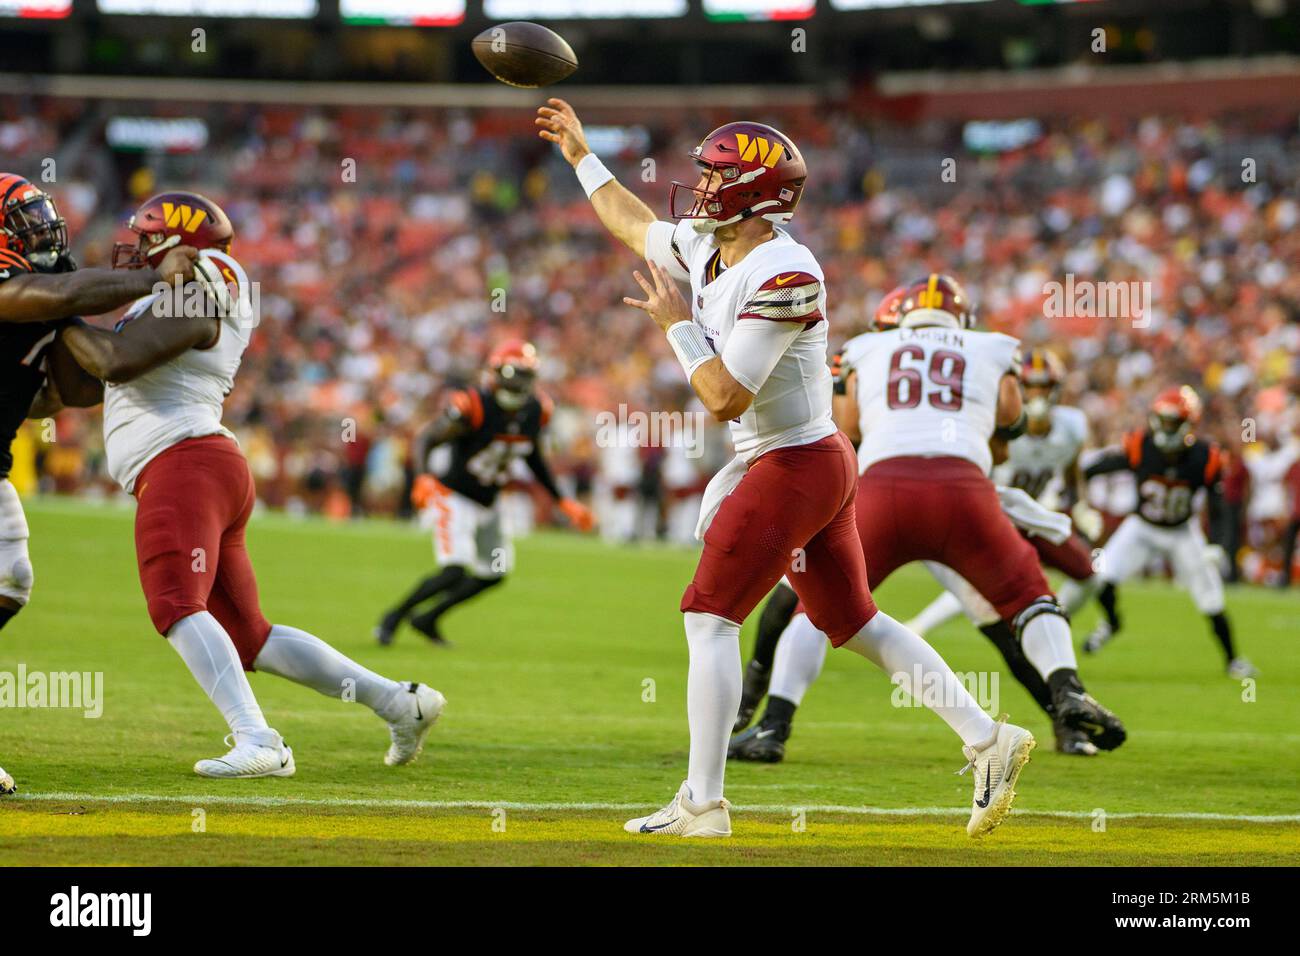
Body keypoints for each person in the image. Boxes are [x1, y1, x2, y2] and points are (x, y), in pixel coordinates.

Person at [538, 100, 1035, 839]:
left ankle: (703, 805)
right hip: (802, 458)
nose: (700, 187)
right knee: (853, 621)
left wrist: (675, 324)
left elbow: (725, 396)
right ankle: (988, 738)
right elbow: (632, 221)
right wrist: (581, 154)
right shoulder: (716, 247)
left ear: (752, 195)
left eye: (715, 177)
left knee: (709, 616)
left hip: (793, 460)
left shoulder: (786, 271)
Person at [59, 190, 445, 778]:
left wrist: (56, 315)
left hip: (183, 462)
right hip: (202, 463)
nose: (137, 250)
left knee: (174, 603)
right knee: (248, 635)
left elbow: (114, 361)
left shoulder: (209, 280)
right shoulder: (182, 289)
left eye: (147, 238)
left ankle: (259, 739)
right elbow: (100, 377)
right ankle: (399, 702)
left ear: (180, 244)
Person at [376, 339, 595, 646]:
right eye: (511, 372)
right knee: (453, 571)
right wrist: (423, 477)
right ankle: (393, 617)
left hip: (490, 501)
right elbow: (427, 438)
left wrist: (562, 499)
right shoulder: (473, 404)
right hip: (455, 496)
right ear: (494, 373)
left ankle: (428, 618)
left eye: (523, 374)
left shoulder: (537, 409)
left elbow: (532, 456)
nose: (517, 381)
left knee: (494, 572)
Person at [1083, 386, 1254, 677]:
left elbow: (1219, 507)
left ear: (1189, 422)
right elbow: (1096, 468)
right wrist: (1076, 492)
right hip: (1141, 527)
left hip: (1182, 532)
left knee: (1210, 596)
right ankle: (1111, 623)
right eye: (1162, 420)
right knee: (1102, 576)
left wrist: (1217, 545)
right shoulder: (1141, 445)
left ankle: (1233, 659)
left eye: (1172, 421)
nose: (1165, 427)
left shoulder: (1205, 456)